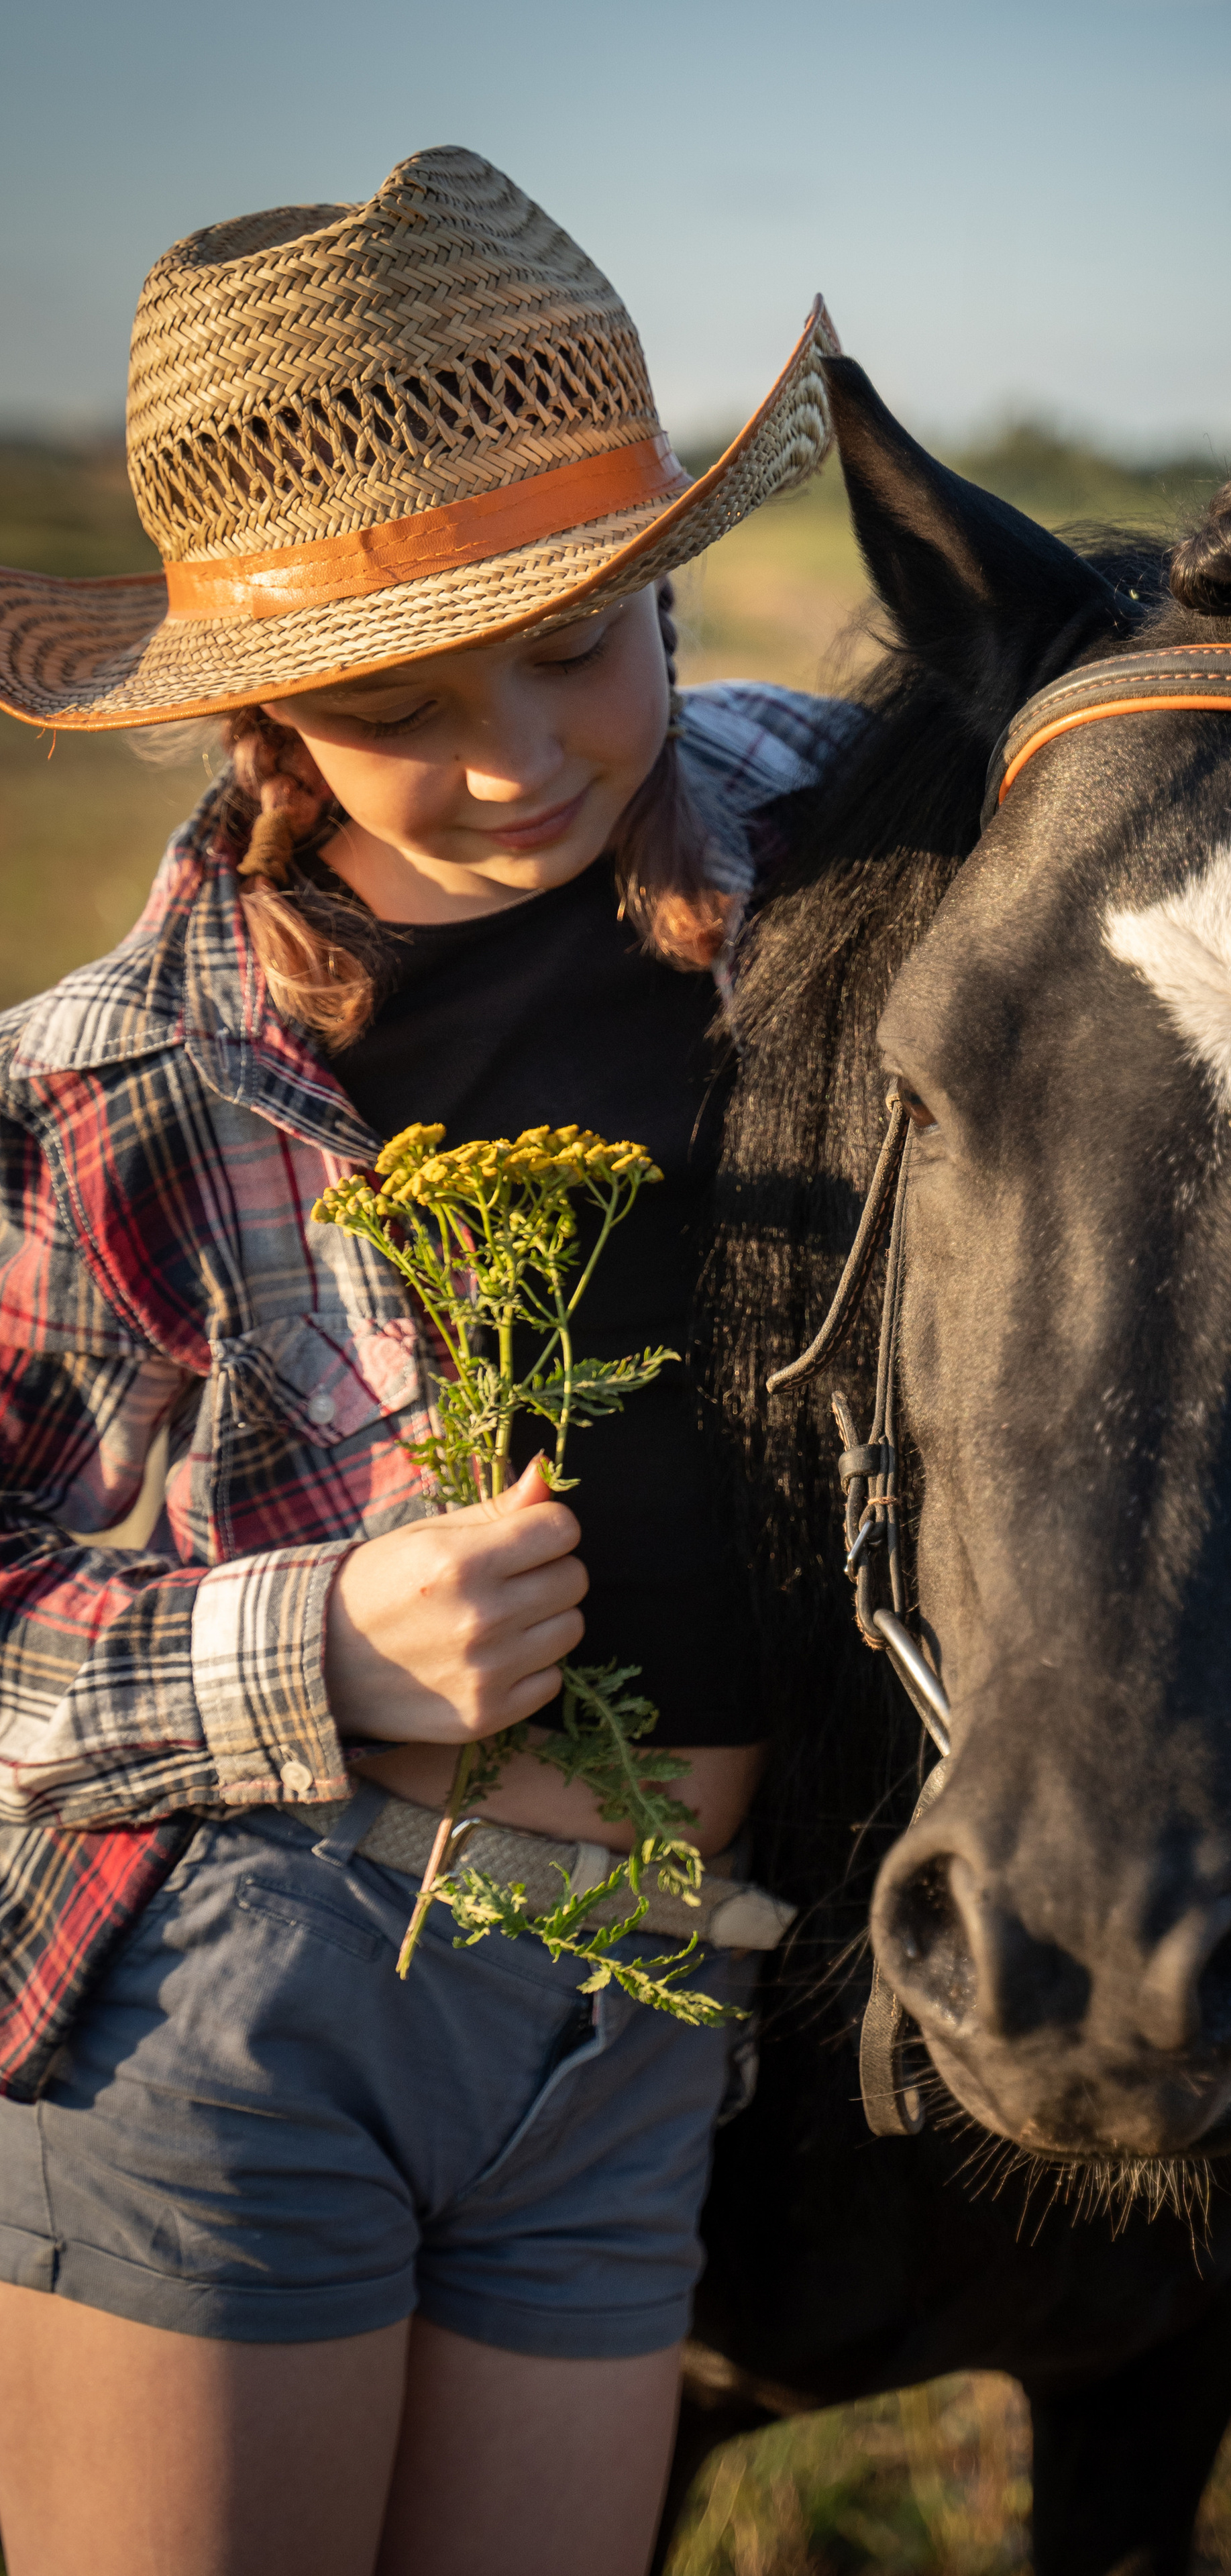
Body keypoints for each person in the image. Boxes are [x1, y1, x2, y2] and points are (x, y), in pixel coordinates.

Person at [0, 146, 848, 2576]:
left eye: (580, 643)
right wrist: (316, 1648)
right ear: (258, 708)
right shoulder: (109, 1085)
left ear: (665, 571)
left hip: (646, 2016)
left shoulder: (847, 859)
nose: (515, 759)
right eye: (393, 706)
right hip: (250, 1994)